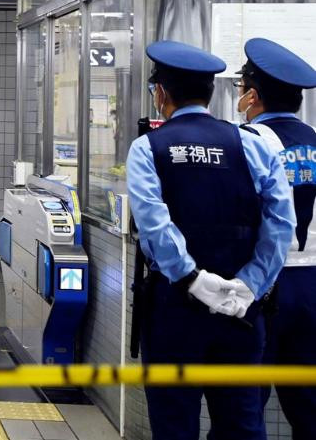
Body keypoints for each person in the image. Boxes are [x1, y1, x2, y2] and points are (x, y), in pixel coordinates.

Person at [126, 40, 295, 440]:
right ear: (211, 93)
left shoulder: (148, 147)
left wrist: (191, 280)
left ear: (161, 94)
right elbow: (280, 223)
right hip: (241, 309)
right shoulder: (254, 143)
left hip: (173, 308)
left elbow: (153, 222)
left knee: (174, 422)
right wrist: (250, 284)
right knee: (240, 422)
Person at [236, 38, 316, 440]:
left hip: (267, 284)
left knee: (248, 401)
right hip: (314, 285)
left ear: (253, 95)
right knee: (309, 404)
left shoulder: (248, 141)